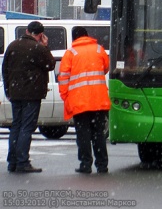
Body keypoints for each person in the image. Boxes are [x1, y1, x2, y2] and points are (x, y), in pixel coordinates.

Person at [2, 20, 55, 173]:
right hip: (32, 94)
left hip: (15, 93)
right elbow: (50, 64)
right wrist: (46, 46)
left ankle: (12, 161)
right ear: (41, 35)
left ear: (26, 31)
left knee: (16, 126)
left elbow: (5, 69)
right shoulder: (38, 48)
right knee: (27, 127)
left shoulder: (12, 45)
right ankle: (22, 161)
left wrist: (8, 90)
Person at [58, 27, 111, 174]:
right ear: (87, 36)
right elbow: (106, 68)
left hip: (79, 102)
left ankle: (85, 164)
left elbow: (63, 77)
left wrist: (65, 96)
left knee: (83, 134)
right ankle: (102, 165)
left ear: (74, 38)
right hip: (99, 100)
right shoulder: (99, 50)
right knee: (98, 134)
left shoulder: (70, 53)